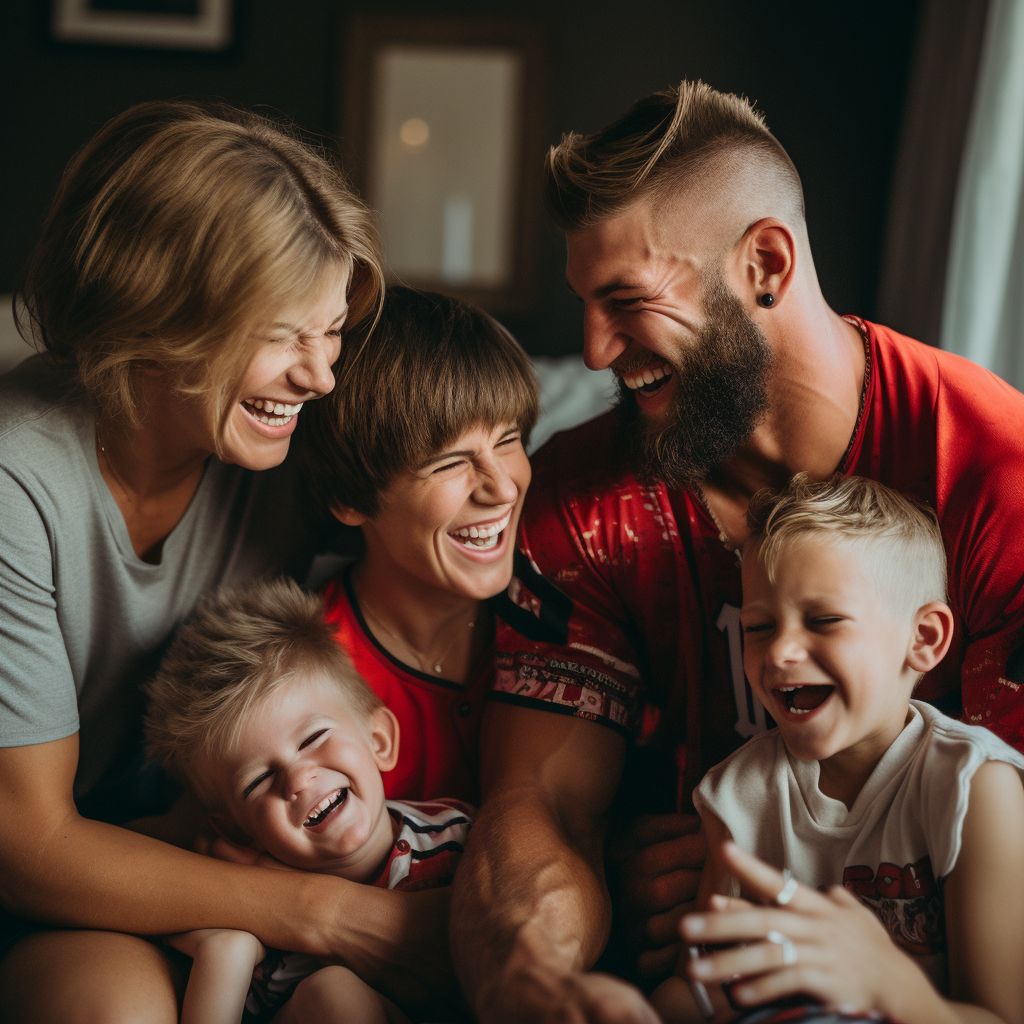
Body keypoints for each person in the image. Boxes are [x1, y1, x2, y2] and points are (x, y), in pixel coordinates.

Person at [448, 81, 1024, 1022]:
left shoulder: (996, 471)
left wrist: (847, 909)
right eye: (586, 306)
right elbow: (542, 805)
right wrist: (533, 980)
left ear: (765, 263)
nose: (595, 353)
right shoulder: (576, 495)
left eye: (627, 301)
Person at [0, 99, 481, 1024]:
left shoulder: (284, 451)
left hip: (217, 848)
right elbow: (29, 848)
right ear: (156, 316)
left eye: (331, 331)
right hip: (57, 883)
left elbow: (463, 502)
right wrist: (335, 916)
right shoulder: (20, 480)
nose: (321, 376)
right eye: (281, 335)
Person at [649, 474, 1024, 1024]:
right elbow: (703, 991)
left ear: (924, 640)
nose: (779, 651)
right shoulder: (739, 794)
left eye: (823, 621)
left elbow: (1002, 1014)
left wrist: (889, 986)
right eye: (758, 627)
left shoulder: (974, 787)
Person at [144, 577, 473, 1024]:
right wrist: (226, 952)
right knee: (334, 994)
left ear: (379, 740)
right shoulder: (259, 934)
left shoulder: (463, 841)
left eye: (314, 737)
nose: (298, 779)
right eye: (258, 780)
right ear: (237, 829)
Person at [294, 285, 538, 806]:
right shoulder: (301, 684)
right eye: (450, 461)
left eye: (509, 439)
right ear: (348, 498)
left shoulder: (572, 618)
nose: (503, 487)